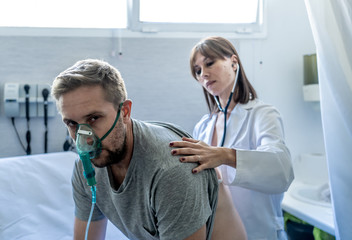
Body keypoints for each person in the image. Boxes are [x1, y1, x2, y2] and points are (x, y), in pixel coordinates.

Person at [51, 59, 247, 240]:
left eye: (94, 118)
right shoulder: (86, 169)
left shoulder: (170, 170)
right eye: (72, 124)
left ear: (125, 112)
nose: (84, 139)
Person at [169, 36, 294, 240]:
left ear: (234, 62)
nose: (204, 74)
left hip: (259, 232)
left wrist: (225, 156)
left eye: (210, 63)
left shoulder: (262, 114)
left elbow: (282, 172)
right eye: (198, 71)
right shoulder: (203, 126)